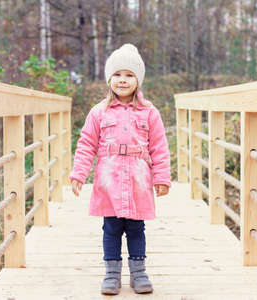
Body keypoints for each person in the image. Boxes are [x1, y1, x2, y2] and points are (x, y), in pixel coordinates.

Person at [69, 43, 171, 295]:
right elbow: (86, 144)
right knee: (111, 227)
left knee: (136, 228)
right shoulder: (98, 112)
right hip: (109, 180)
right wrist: (79, 173)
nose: (122, 80)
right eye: (117, 74)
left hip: (138, 181)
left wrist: (162, 177)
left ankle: (139, 273)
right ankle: (112, 275)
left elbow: (159, 147)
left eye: (129, 75)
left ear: (138, 80)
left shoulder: (149, 112)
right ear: (108, 79)